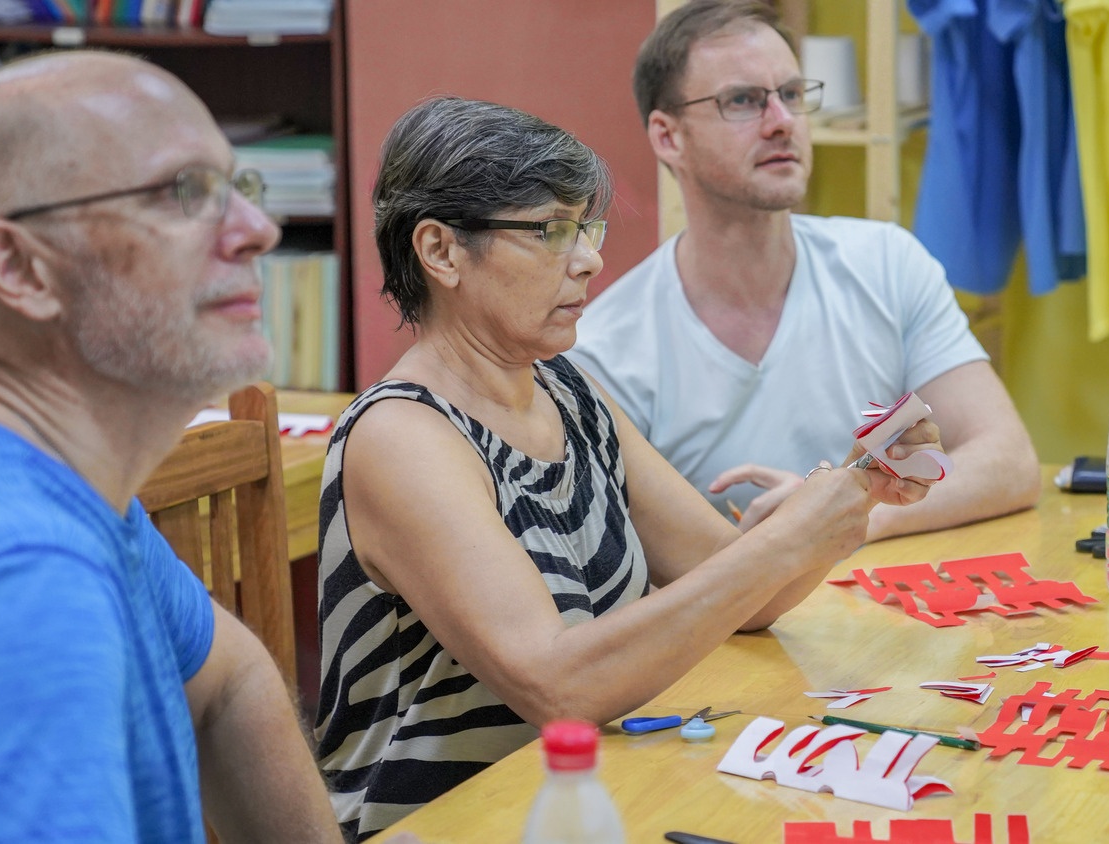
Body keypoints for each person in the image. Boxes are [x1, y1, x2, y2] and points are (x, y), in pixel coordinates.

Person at [314, 96, 942, 840]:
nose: (589, 257)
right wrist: (785, 540)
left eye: (586, 226)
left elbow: (743, 593)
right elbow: (560, 686)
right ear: (441, 251)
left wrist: (856, 490)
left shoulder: (569, 391)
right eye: (550, 231)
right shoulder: (402, 436)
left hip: (581, 803)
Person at [0, 52, 340, 842]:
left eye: (237, 188)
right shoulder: (27, 574)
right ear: (18, 266)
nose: (259, 232)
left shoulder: (78, 492)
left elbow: (229, 680)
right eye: (184, 194)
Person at [567, 0, 1041, 541]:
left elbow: (1008, 460)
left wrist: (845, 515)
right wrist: (798, 536)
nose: (783, 122)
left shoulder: (888, 263)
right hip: (741, 625)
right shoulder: (606, 352)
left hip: (884, 614)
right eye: (743, 101)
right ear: (668, 137)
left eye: (791, 94)